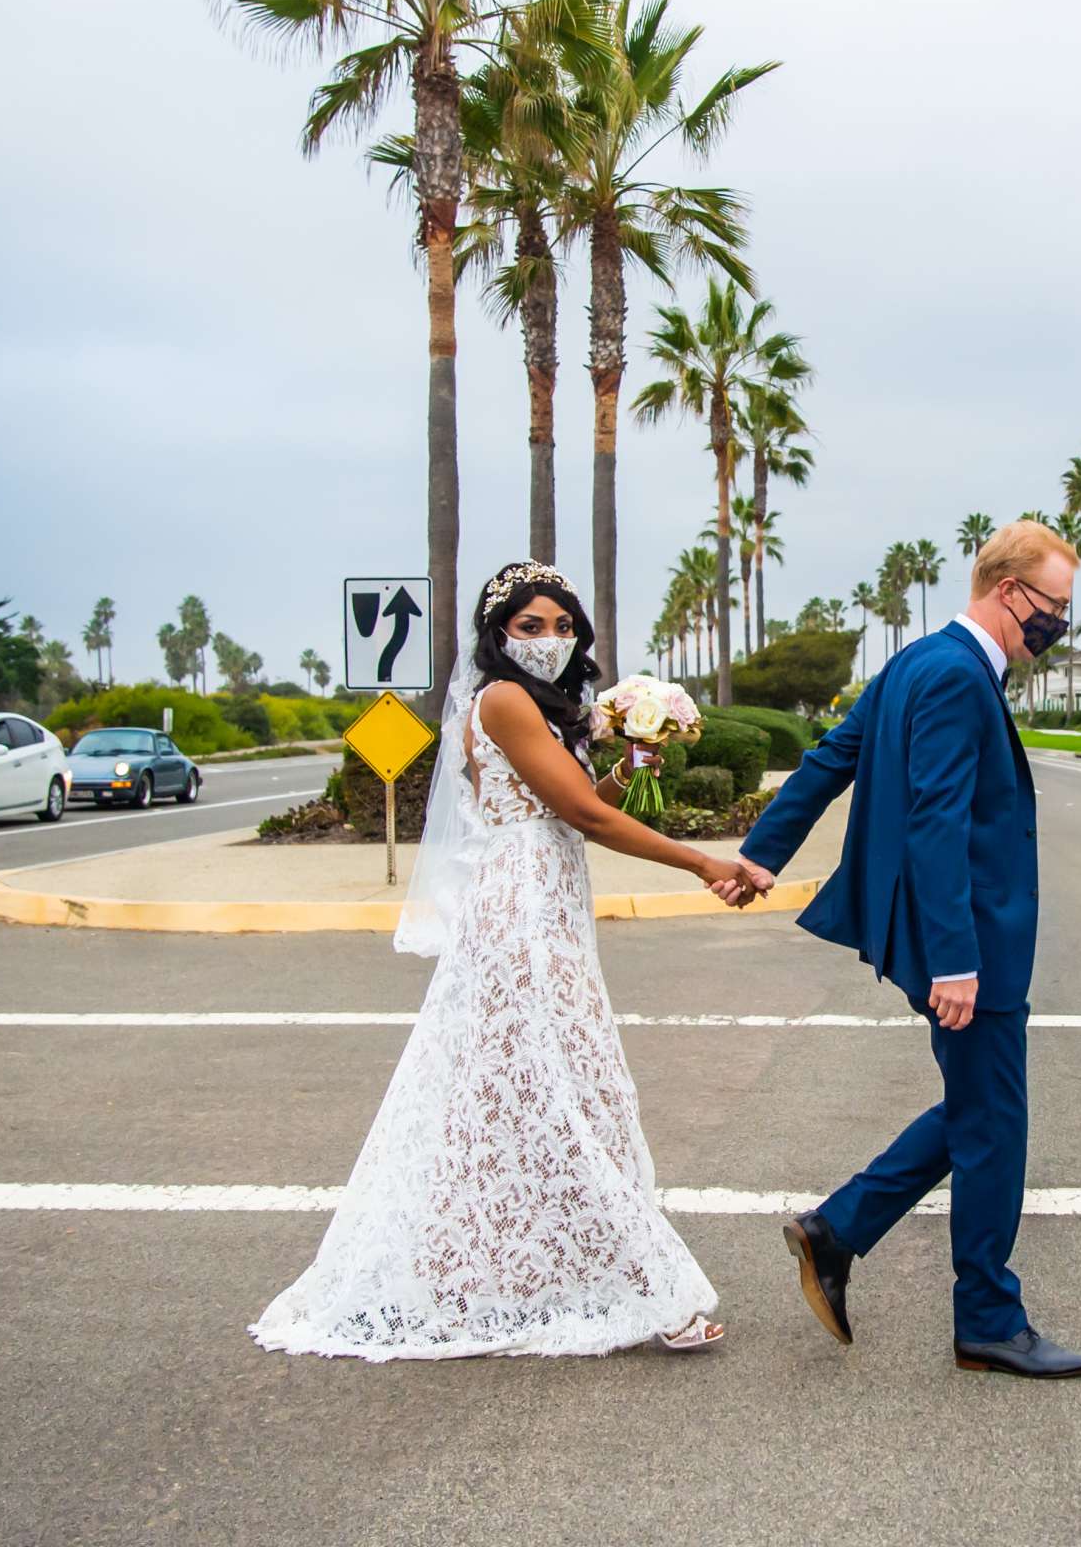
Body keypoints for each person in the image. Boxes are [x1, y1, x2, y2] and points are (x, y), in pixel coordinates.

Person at [251, 562, 758, 1361]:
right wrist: (702, 863)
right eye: (531, 626)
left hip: (549, 901)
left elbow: (595, 800)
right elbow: (582, 814)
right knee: (561, 1089)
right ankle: (649, 1285)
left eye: (562, 627)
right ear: (499, 634)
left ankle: (502, 1271)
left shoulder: (552, 710)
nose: (550, 641)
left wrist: (635, 757)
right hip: (519, 909)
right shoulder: (502, 699)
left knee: (525, 1094)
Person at [720, 519, 1081, 1379]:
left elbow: (828, 760)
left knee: (979, 1112)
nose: (1058, 624)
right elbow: (936, 819)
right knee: (996, 1127)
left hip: (949, 937)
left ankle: (837, 1231)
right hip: (971, 945)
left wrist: (760, 855)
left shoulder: (916, 662)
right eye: (1054, 606)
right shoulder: (960, 677)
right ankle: (989, 1322)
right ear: (1009, 592)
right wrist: (958, 960)